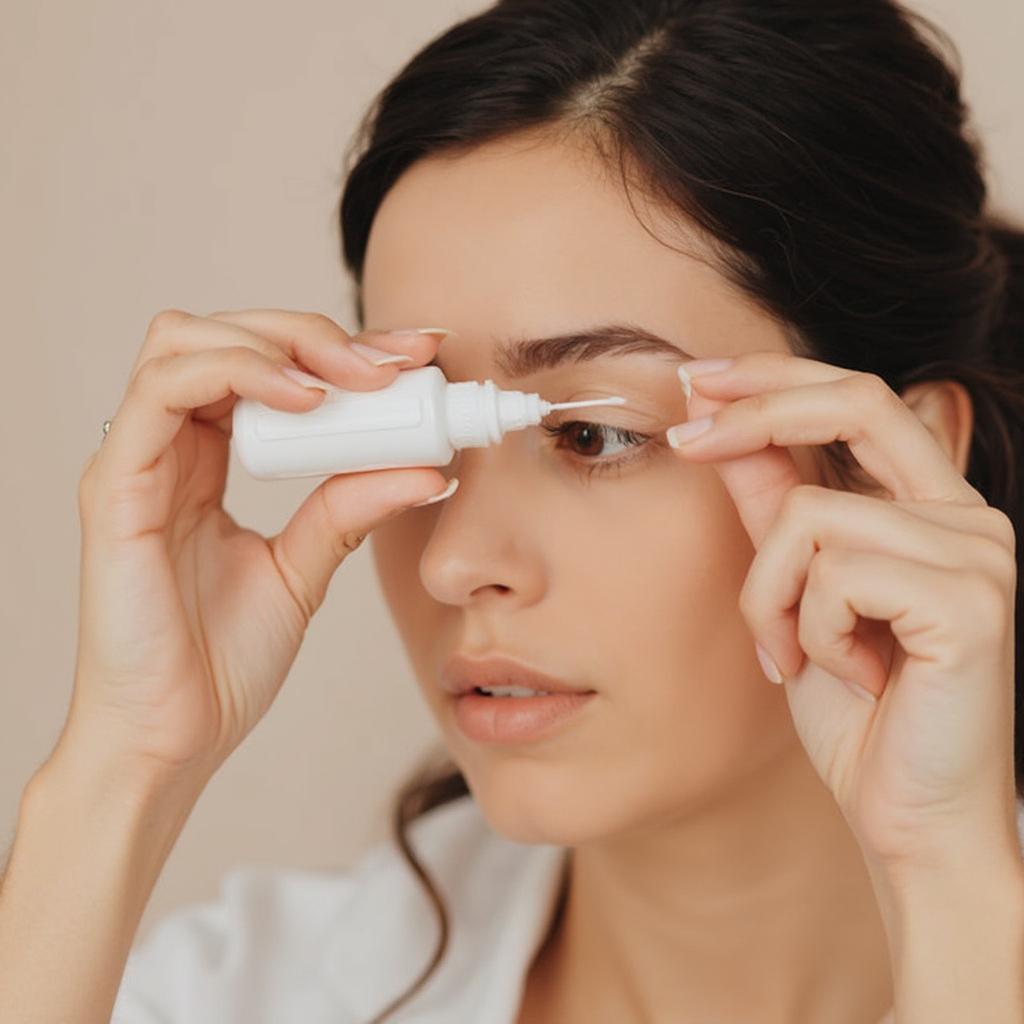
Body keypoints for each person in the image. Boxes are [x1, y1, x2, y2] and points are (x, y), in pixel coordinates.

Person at [2, 1, 1023, 1021]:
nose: (453, 564)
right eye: (413, 433)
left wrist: (950, 885)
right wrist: (121, 768)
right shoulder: (243, 994)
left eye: (591, 434)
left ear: (892, 463)